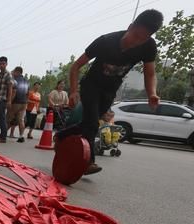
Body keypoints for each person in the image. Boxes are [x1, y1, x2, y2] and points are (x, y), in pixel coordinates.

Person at [68, 9, 162, 175]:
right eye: (135, 35)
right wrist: (74, 91)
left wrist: (152, 94)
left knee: (91, 121)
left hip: (110, 90)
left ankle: (61, 135)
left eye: (142, 39)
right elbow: (76, 66)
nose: (136, 41)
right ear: (130, 26)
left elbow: (150, 73)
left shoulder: (148, 46)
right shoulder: (106, 41)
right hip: (91, 85)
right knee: (91, 122)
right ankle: (88, 162)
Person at [7, 66, 29, 142]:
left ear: (17, 72)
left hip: (16, 102)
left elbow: (14, 92)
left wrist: (9, 101)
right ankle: (21, 136)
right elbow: (27, 93)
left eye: (13, 71)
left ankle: (3, 134)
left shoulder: (14, 80)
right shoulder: (26, 81)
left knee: (8, 118)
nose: (12, 72)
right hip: (24, 103)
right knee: (21, 120)